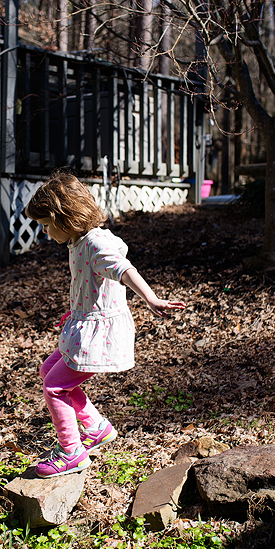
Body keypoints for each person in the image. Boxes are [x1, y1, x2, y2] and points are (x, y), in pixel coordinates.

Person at [25, 171, 186, 477]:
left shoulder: (95, 245)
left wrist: (150, 298)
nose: (45, 233)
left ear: (64, 217)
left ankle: (71, 452)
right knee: (49, 371)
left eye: (46, 226)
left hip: (98, 335)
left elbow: (123, 269)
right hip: (83, 325)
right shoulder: (81, 240)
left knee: (55, 386)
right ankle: (96, 427)